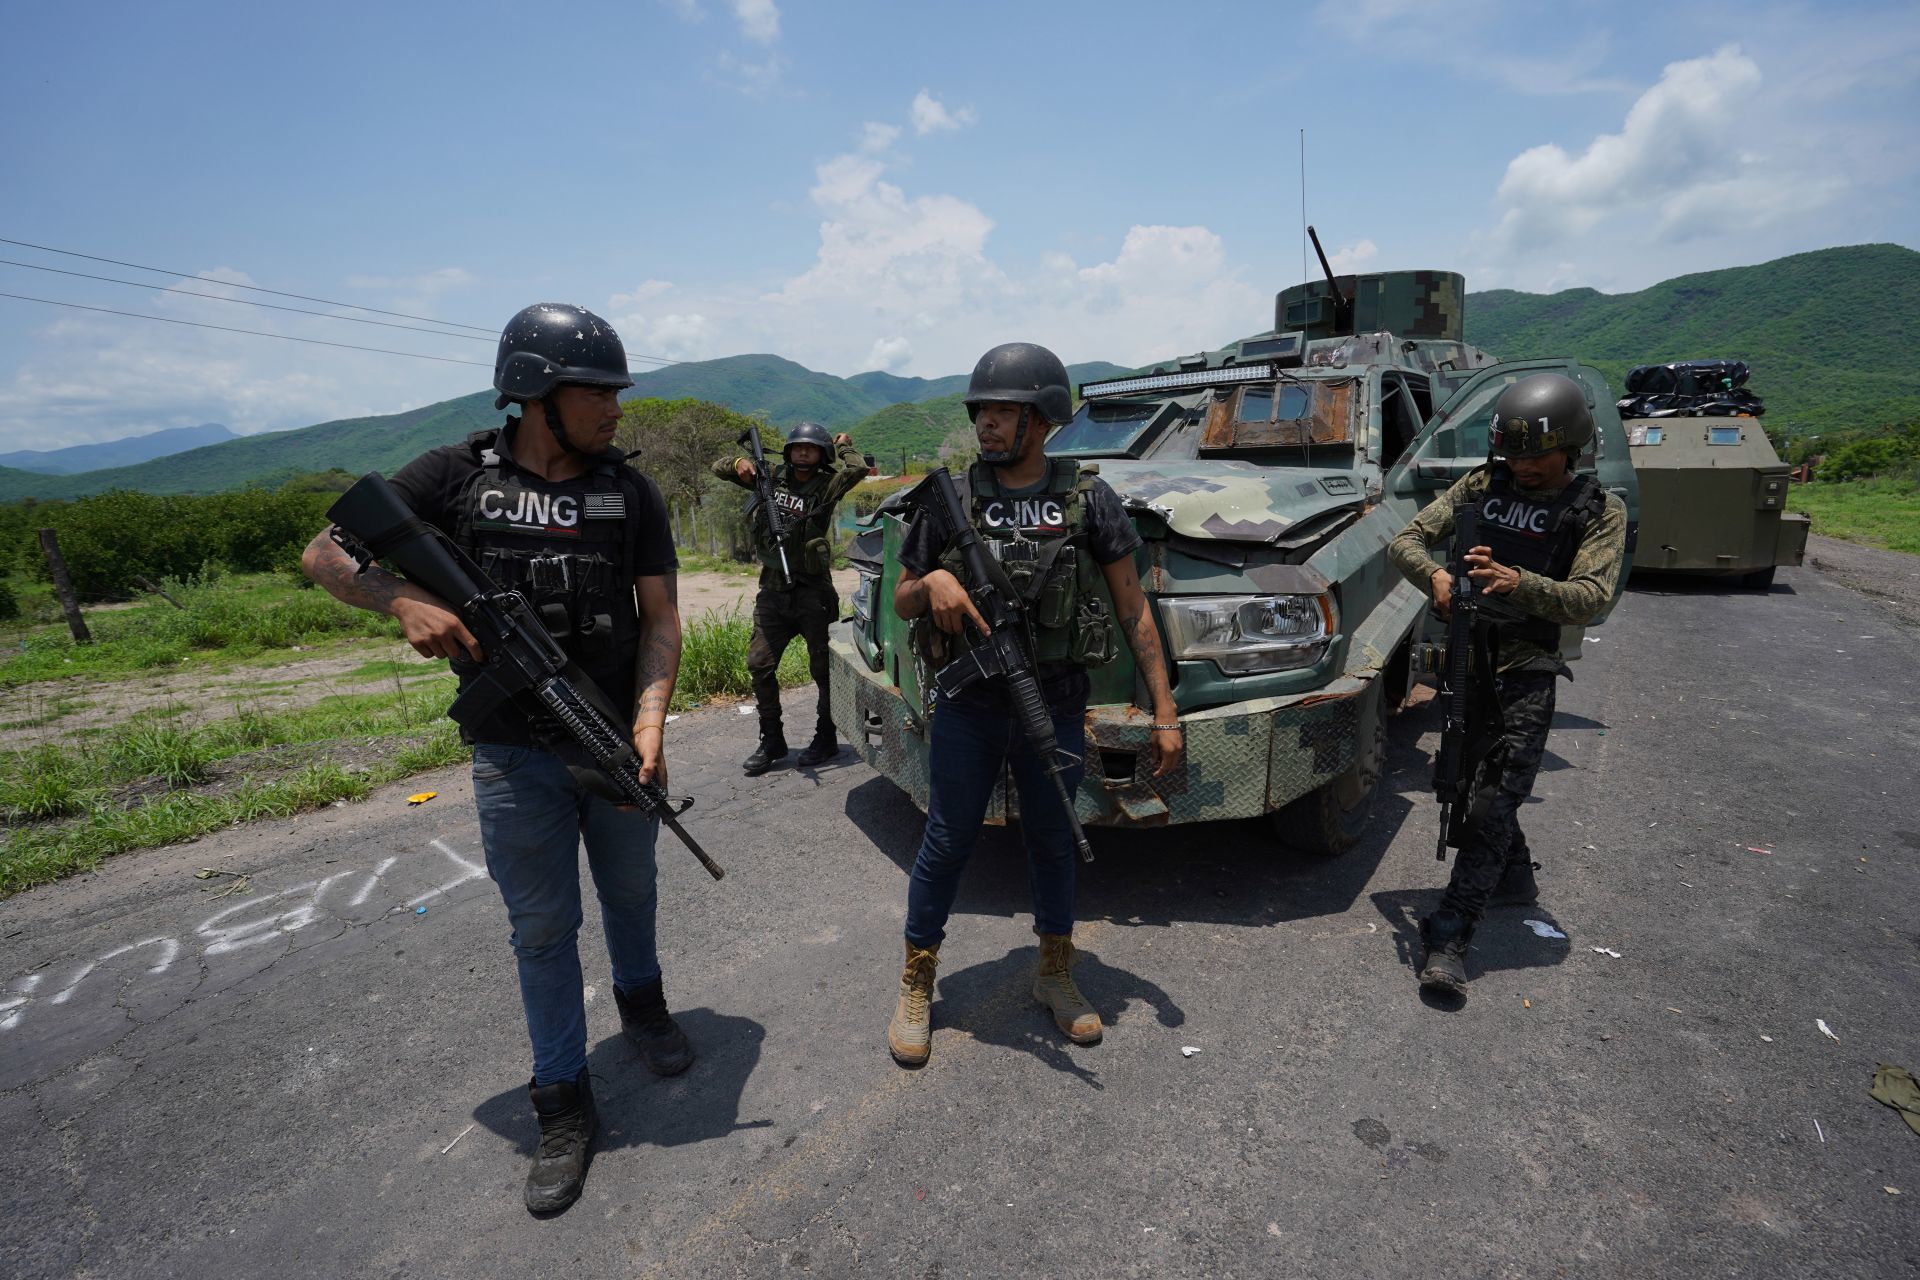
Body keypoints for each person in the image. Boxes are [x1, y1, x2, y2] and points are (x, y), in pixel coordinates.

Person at [301, 303, 690, 1214]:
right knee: (543, 931)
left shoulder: (630, 492)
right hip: (514, 757)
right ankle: (561, 1101)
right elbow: (325, 553)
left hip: (611, 739)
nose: (615, 409)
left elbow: (661, 619)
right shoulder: (451, 476)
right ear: (534, 394)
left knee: (633, 893)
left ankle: (644, 1006)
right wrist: (399, 600)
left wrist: (651, 721)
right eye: (597, 392)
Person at [883, 342, 1184, 1065]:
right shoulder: (948, 497)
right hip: (971, 704)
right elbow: (902, 594)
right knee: (948, 841)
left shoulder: (1089, 499)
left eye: (1003, 411)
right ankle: (917, 981)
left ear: (1043, 418)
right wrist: (932, 589)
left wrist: (1166, 714)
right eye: (981, 410)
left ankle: (1055, 971)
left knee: (1055, 841)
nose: (986, 424)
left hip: (1055, 699)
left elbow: (1134, 608)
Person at [1387, 372, 1628, 995]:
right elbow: (1407, 540)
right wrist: (1434, 579)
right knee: (1468, 781)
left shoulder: (1598, 510)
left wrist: (1517, 583)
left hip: (1526, 669)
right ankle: (1513, 876)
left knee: (1493, 798)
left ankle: (1450, 935)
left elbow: (1592, 599)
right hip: (1468, 659)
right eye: (1512, 455)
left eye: (1535, 456)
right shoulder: (1479, 485)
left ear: (1571, 446)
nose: (1521, 467)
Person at [712, 421, 867, 774]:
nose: (802, 452)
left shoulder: (828, 485)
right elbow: (718, 467)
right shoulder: (770, 478)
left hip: (813, 591)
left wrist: (844, 445)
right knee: (759, 664)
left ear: (821, 454)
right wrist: (738, 465)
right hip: (773, 591)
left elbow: (858, 468)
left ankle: (825, 738)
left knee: (822, 671)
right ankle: (772, 740)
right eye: (797, 447)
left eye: (810, 448)